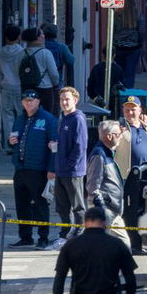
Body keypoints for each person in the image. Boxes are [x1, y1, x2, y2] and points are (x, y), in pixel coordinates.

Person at [8, 90, 57, 248]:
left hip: (38, 169)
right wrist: (11, 142)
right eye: (26, 100)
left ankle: (43, 237)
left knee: (40, 204)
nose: (29, 103)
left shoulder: (48, 119)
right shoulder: (19, 119)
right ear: (22, 102)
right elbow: (13, 140)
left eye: (32, 100)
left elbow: (54, 146)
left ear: (38, 102)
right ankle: (25, 236)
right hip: (20, 168)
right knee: (21, 205)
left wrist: (51, 169)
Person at [119, 98, 147, 254]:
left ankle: (143, 243)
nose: (130, 112)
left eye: (133, 109)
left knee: (145, 210)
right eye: (127, 109)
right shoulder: (120, 127)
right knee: (129, 212)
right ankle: (133, 244)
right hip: (128, 178)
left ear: (140, 110)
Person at [50, 87, 89, 246]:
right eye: (62, 99)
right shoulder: (63, 119)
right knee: (62, 206)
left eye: (67, 99)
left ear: (75, 100)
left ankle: (80, 234)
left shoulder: (77, 119)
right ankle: (65, 235)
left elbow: (80, 147)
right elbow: (66, 144)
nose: (64, 102)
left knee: (77, 206)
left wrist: (69, 166)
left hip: (73, 172)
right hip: (61, 170)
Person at [85, 121, 129, 242]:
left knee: (122, 246)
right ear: (109, 136)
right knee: (119, 245)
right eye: (118, 134)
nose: (120, 137)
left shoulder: (107, 153)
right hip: (105, 211)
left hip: (113, 211)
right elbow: (93, 186)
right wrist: (102, 210)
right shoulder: (99, 155)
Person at [19, 27, 62, 114]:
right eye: (42, 34)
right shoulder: (45, 53)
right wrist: (55, 84)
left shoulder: (22, 53)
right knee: (46, 114)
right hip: (45, 88)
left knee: (29, 113)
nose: (44, 36)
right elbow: (54, 74)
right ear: (37, 37)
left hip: (26, 87)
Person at [0, 23, 26, 143]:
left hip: (5, 86)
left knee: (7, 115)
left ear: (6, 37)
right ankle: (19, 142)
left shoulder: (0, 52)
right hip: (19, 86)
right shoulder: (22, 52)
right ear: (18, 37)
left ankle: (10, 143)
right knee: (20, 115)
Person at [41, 22, 76, 88]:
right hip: (56, 82)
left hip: (40, 82)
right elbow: (71, 61)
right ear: (56, 34)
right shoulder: (61, 47)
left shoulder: (39, 47)